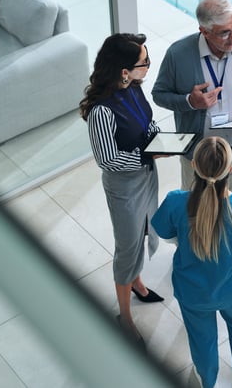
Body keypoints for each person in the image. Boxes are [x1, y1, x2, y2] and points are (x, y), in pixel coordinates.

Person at [151, 136, 232, 388]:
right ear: (230, 169)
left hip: (193, 292)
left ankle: (207, 379)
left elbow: (165, 235)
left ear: (194, 165)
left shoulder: (175, 202)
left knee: (201, 337)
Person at [79, 33, 165, 346]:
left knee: (143, 230)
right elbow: (108, 159)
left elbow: (148, 124)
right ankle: (125, 316)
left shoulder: (134, 89)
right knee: (127, 246)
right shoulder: (101, 111)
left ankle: (138, 284)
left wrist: (161, 141)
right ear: (124, 70)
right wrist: (147, 154)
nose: (148, 67)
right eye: (144, 62)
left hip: (146, 175)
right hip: (125, 185)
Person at [152, 0, 232, 195]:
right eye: (224, 33)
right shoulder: (178, 54)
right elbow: (159, 94)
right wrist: (189, 101)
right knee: (195, 213)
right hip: (196, 155)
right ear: (204, 31)